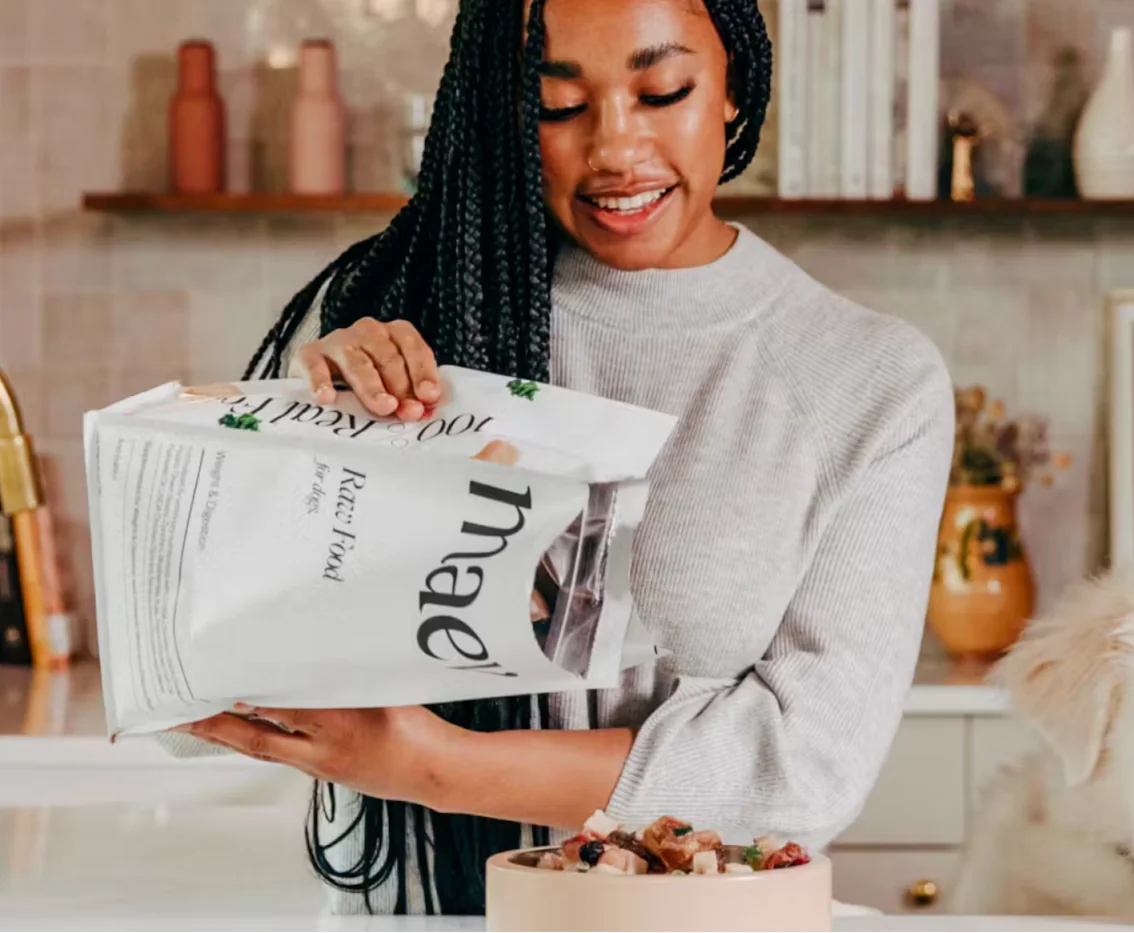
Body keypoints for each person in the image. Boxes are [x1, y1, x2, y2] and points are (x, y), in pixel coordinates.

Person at [172, 0, 953, 916]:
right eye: (557, 105)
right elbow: (198, 703)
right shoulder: (410, 319)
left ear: (734, 89)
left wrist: (434, 767)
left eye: (662, 90)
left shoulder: (868, 382)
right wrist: (318, 449)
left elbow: (802, 771)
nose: (616, 146)